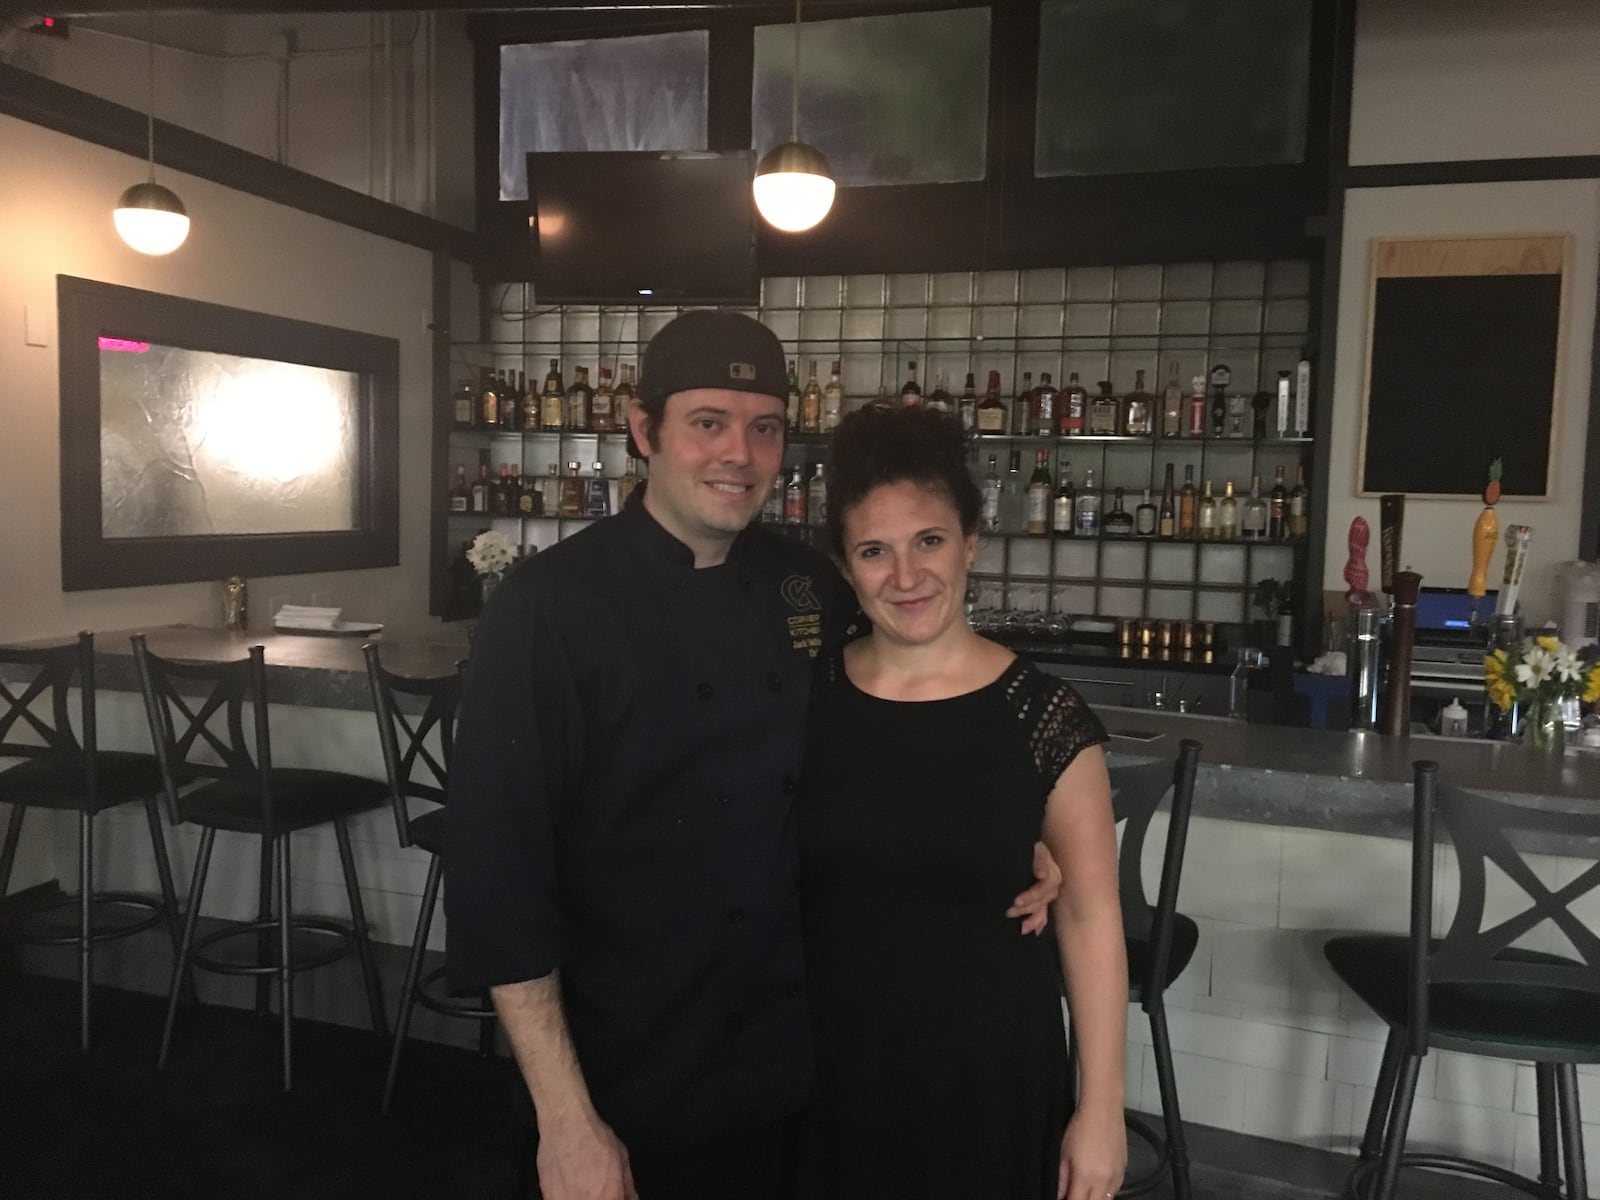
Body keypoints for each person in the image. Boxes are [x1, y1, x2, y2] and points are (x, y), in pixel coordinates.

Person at [444, 310, 1059, 1200]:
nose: (739, 452)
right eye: (708, 423)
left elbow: (896, 724)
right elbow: (499, 879)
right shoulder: (546, 610)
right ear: (643, 429)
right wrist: (566, 1120)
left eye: (763, 428)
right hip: (629, 1064)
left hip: (802, 1054)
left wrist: (1003, 831)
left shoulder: (803, 580)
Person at [798, 402, 1129, 1200]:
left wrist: (1103, 1107)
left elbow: (1090, 918)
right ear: (845, 568)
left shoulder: (1044, 715)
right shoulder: (804, 701)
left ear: (972, 542)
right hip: (826, 1070)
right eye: (874, 551)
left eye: (930, 541)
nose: (906, 576)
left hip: (991, 1079)